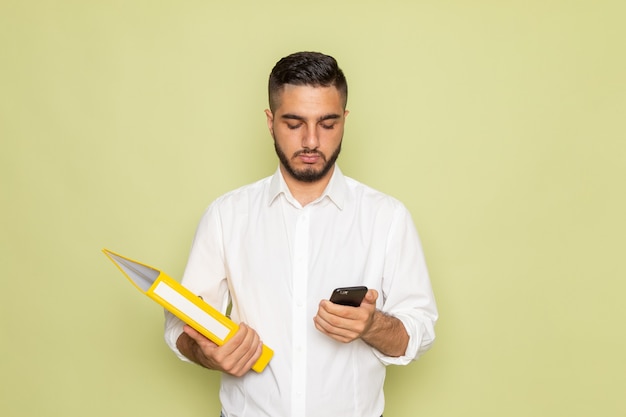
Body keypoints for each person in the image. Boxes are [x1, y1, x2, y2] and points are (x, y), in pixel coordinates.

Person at [164, 51, 438, 417]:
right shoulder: (225, 216)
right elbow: (183, 326)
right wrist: (207, 352)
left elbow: (417, 331)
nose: (311, 141)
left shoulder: (387, 218)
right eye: (294, 123)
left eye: (327, 124)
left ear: (345, 120)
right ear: (270, 121)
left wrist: (373, 325)